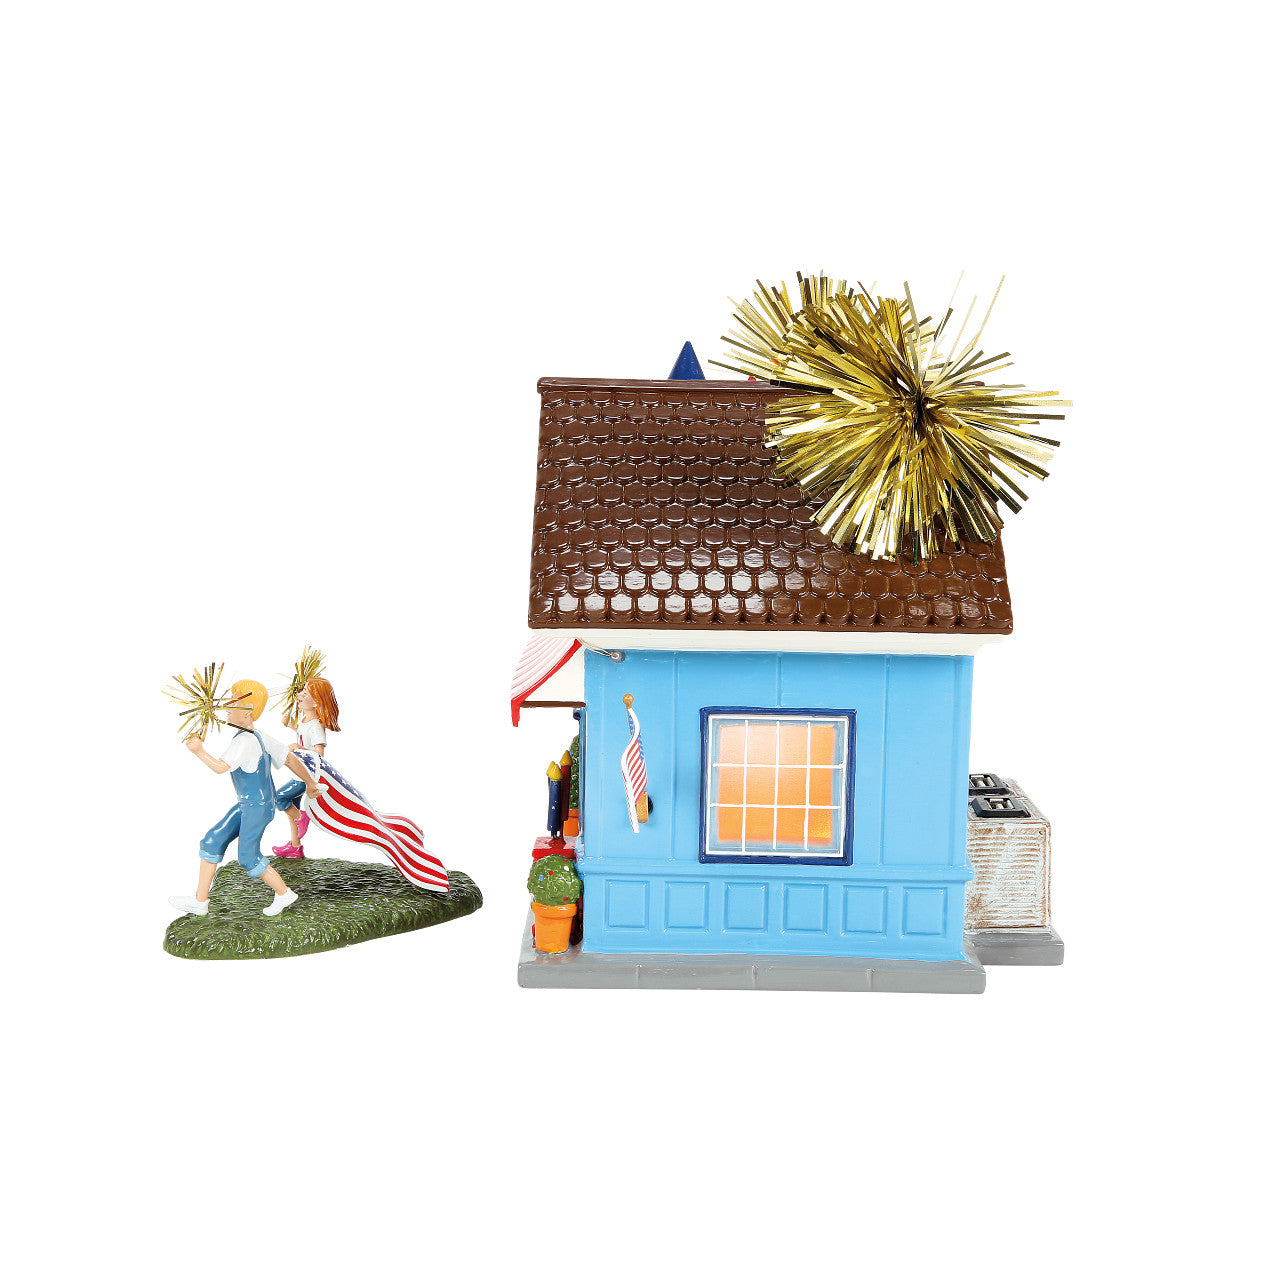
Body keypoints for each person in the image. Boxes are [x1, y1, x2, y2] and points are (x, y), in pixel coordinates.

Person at [169, 678, 320, 917]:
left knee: (248, 856)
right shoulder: (259, 735)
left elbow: (220, 767)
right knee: (212, 840)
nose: (227, 707)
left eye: (233, 702)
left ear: (248, 710)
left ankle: (284, 894)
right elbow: (290, 760)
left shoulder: (244, 741)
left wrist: (198, 751)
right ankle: (200, 901)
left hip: (256, 807)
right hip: (250, 805)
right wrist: (310, 784)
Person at [272, 676, 340, 857]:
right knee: (290, 808)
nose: (300, 695)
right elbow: (303, 733)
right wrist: (291, 725)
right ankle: (295, 847)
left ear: (316, 702)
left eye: (306, 693)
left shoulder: (316, 726)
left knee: (278, 798)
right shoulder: (305, 721)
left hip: (305, 775)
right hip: (297, 772)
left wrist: (300, 748)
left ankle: (301, 818)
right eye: (302, 691)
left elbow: (319, 754)